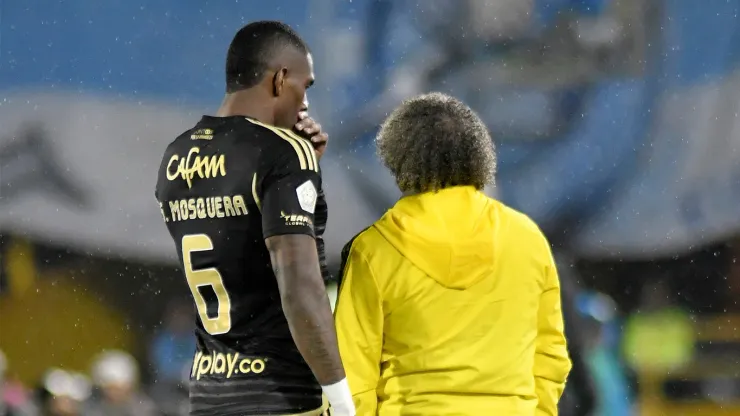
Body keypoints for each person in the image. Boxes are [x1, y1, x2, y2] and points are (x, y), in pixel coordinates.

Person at [154, 21, 353, 416]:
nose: (306, 103)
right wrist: (344, 403)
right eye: (305, 85)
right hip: (280, 395)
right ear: (280, 79)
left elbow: (237, 246)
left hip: (208, 394)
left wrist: (306, 170)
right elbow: (299, 284)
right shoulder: (281, 152)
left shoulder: (175, 157)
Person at [334, 92, 572, 415]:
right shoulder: (528, 240)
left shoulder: (375, 250)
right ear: (479, 156)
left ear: (398, 158)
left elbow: (353, 373)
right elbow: (550, 356)